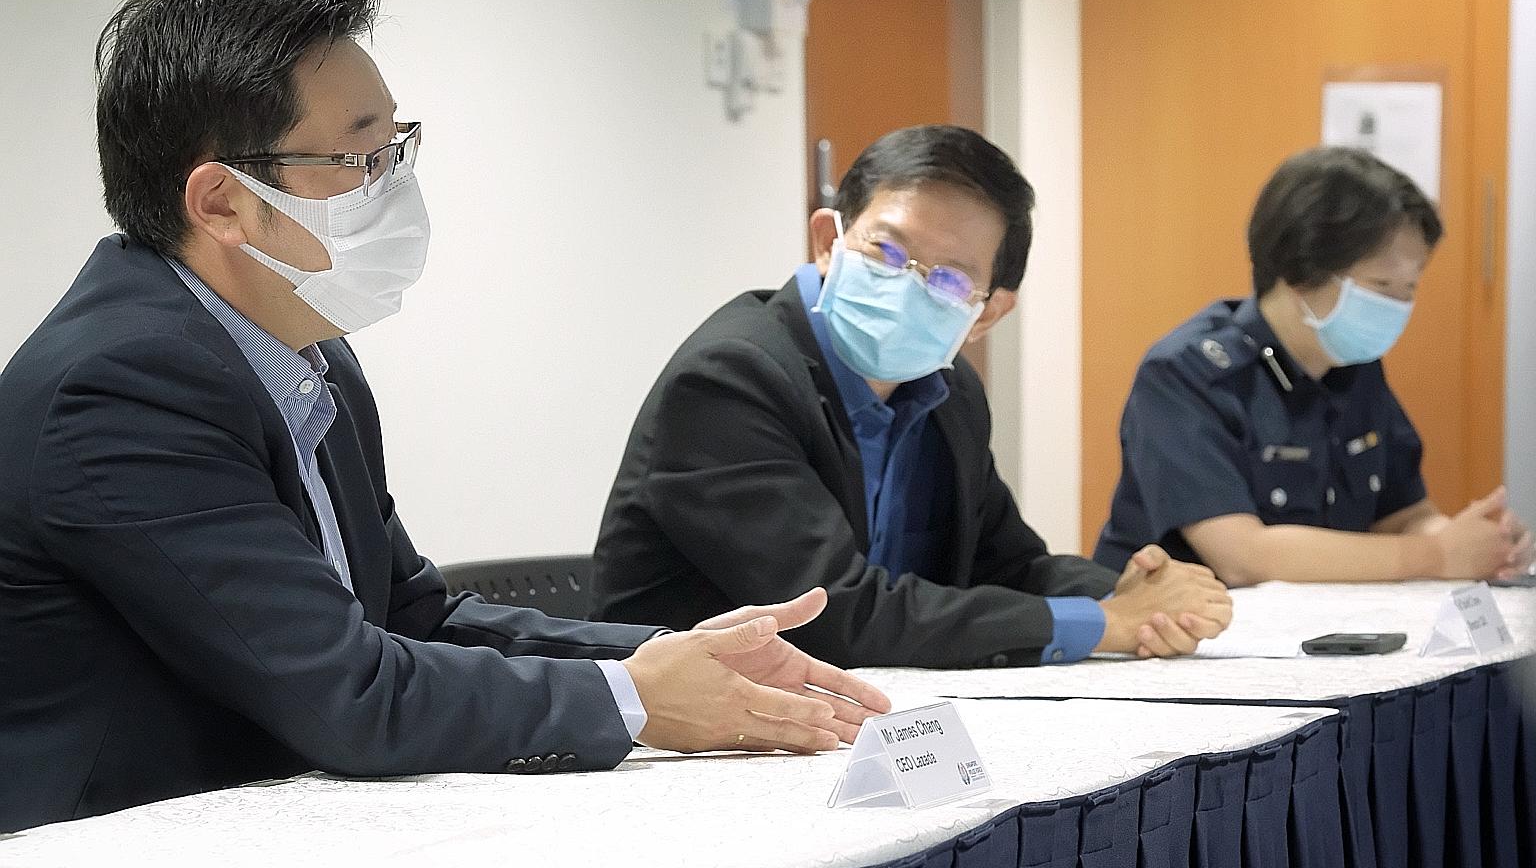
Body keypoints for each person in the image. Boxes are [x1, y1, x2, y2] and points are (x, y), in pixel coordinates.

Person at [0, 0, 888, 834]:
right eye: (359, 156)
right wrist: (636, 701)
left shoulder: (304, 349)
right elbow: (347, 690)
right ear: (223, 202)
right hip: (111, 858)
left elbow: (416, 616)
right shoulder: (119, 390)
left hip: (263, 827)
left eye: (399, 146)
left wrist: (669, 659)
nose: (394, 185)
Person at [590, 125, 1232, 669]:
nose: (906, 284)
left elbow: (1006, 565)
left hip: (858, 721)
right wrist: (1105, 623)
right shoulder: (731, 380)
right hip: (683, 744)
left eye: (950, 279)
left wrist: (1135, 590)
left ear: (988, 313)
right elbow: (832, 615)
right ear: (826, 241)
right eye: (886, 250)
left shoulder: (949, 395)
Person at [1094, 146, 1534, 586]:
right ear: (1300, 266)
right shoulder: (1185, 375)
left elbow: (1404, 514)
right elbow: (1243, 557)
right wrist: (1434, 555)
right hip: (1187, 640)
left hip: (1322, 633)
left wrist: (1476, 543)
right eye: (1381, 285)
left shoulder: (1354, 368)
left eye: (1409, 288)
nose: (1397, 307)